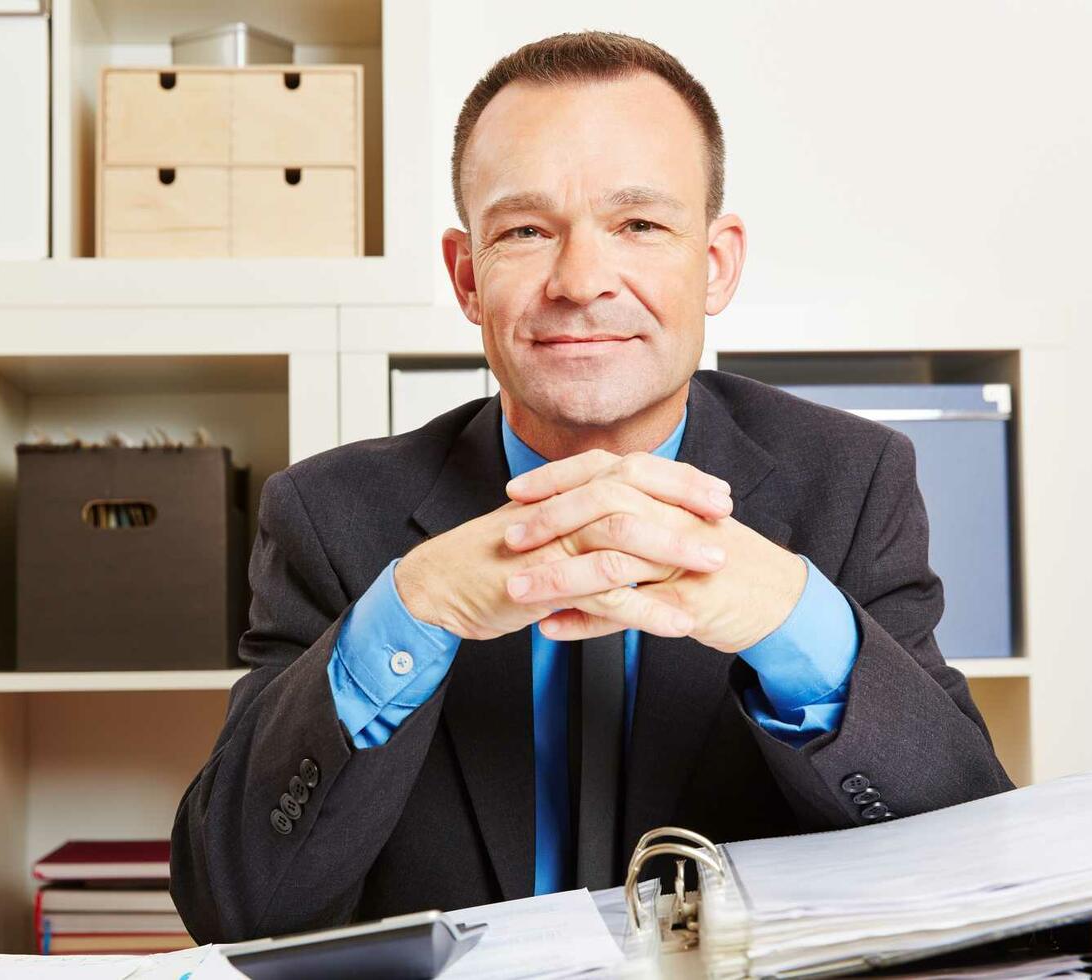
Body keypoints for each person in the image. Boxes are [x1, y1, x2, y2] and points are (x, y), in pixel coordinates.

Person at [169, 30, 1013, 944]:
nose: (579, 282)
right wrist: (411, 611)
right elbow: (236, 910)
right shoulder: (328, 516)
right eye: (525, 231)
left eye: (639, 225)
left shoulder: (851, 483)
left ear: (716, 263)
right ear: (466, 275)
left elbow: (974, 880)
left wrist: (793, 620)